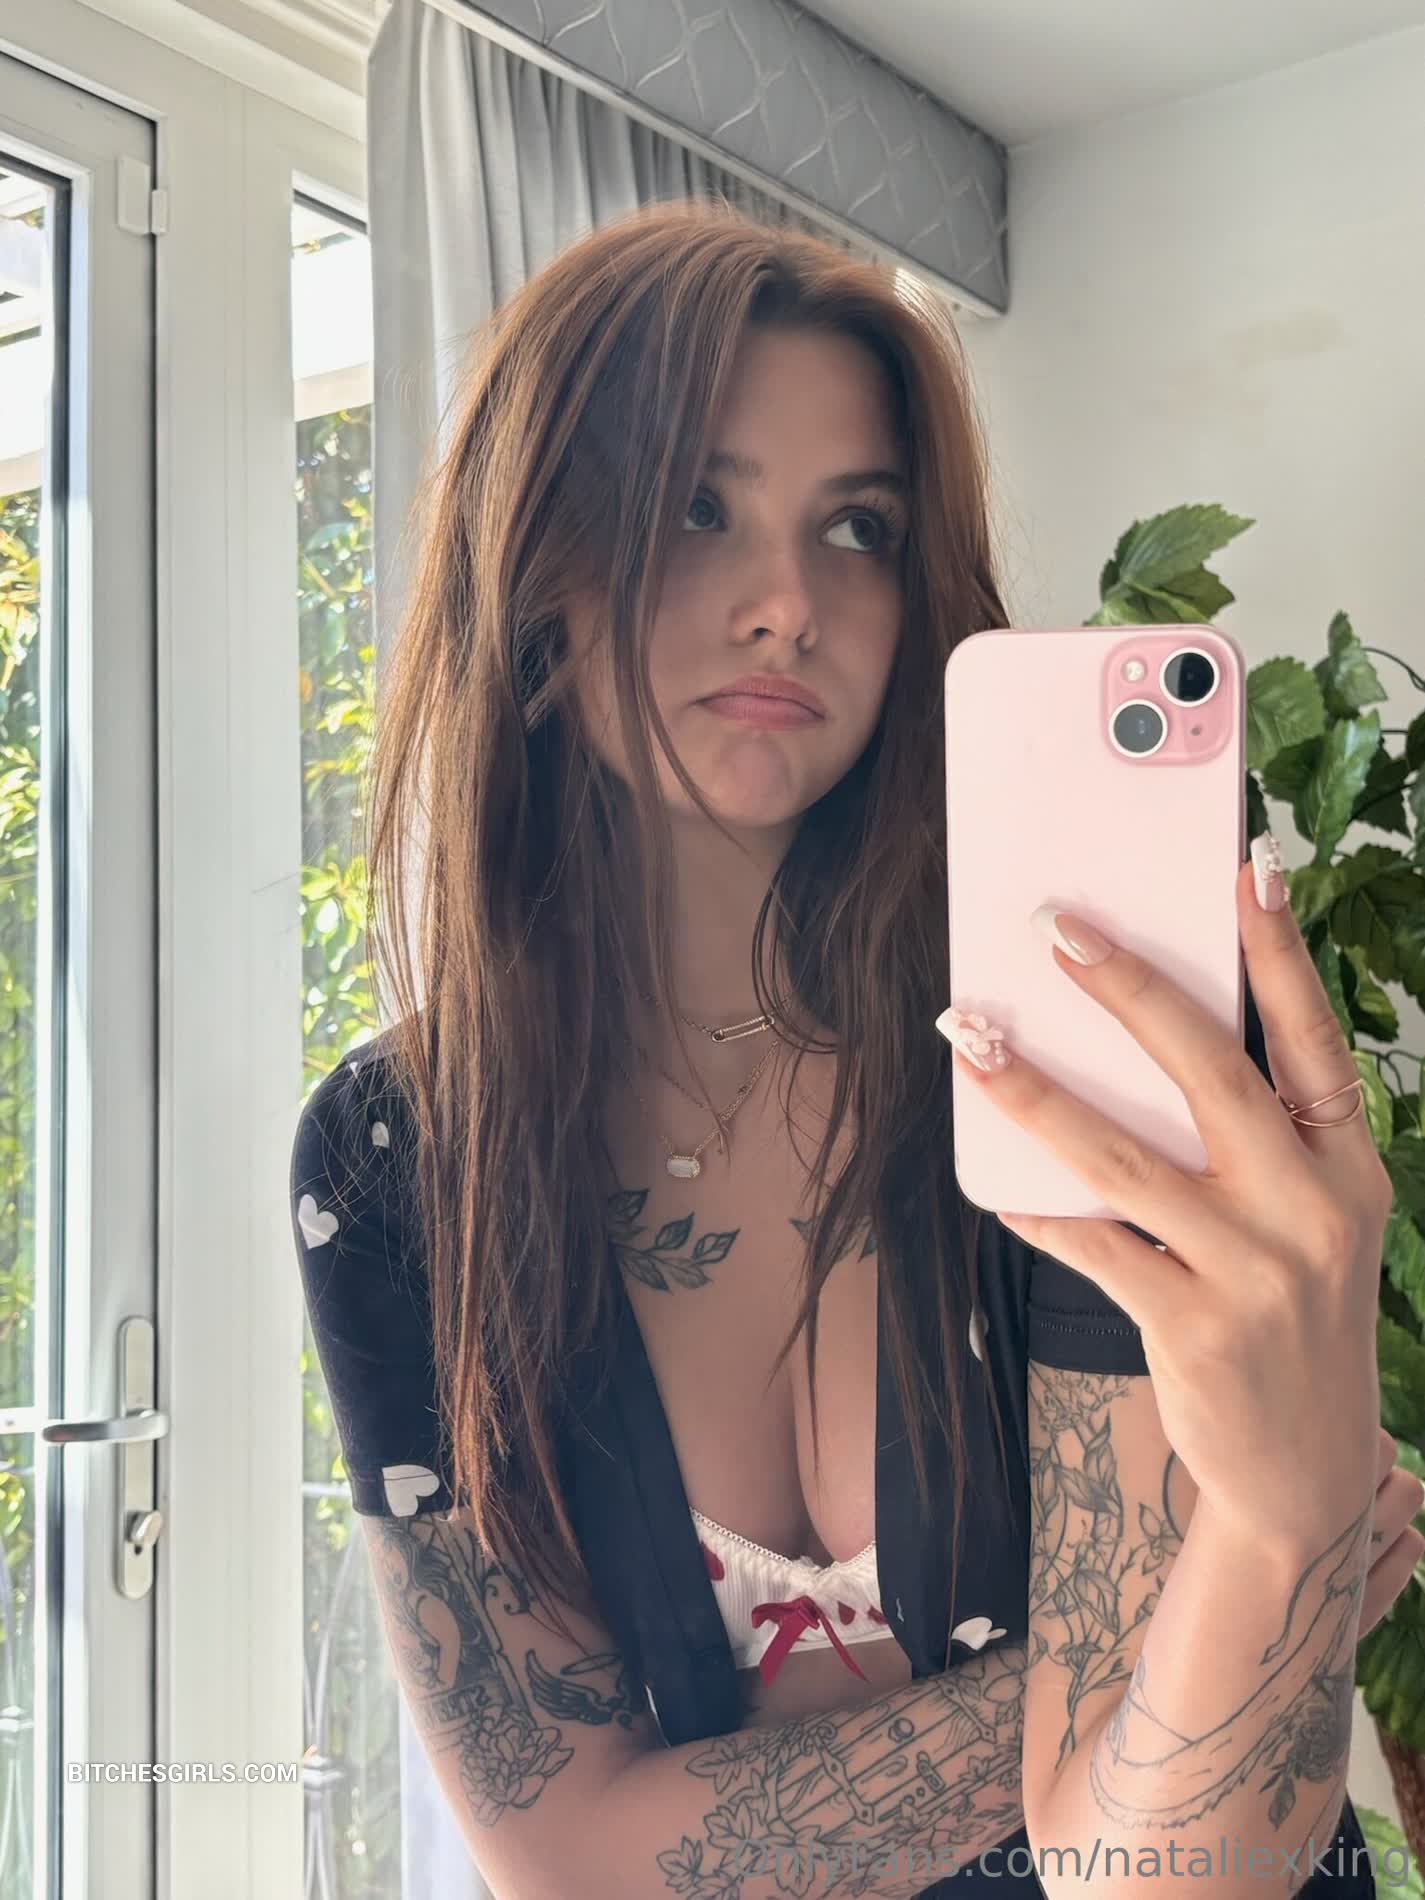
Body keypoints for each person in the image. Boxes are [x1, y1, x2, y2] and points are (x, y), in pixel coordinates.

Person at [290, 200, 1412, 1898]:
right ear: (537, 575)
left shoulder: (1066, 1057)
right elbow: (566, 1861)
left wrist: (1269, 1533)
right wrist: (1186, 1642)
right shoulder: (401, 1155)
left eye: (858, 529)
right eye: (696, 507)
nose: (785, 604)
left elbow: (1160, 1871)